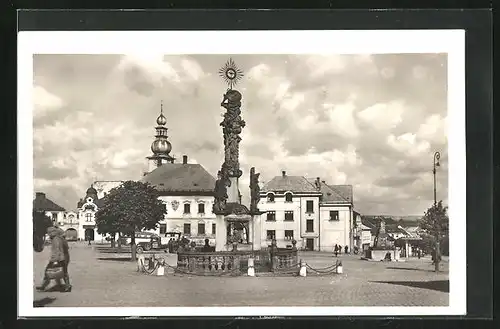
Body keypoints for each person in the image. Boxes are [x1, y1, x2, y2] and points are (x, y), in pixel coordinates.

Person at [36, 227, 72, 292]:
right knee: (63, 272)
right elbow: (66, 247)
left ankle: (44, 286)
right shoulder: (60, 238)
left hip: (59, 258)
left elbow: (57, 250)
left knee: (49, 270)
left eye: (49, 233)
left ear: (52, 232)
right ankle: (66, 286)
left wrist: (55, 260)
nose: (48, 234)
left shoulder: (56, 239)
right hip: (64, 257)